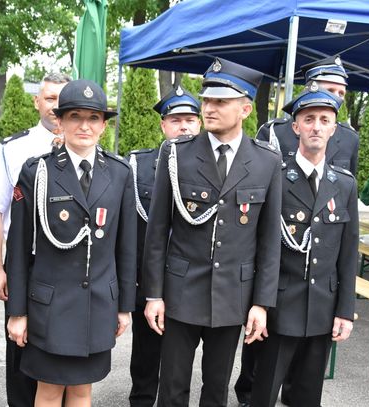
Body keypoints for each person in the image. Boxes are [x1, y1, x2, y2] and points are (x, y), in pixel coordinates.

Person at [143, 57, 282, 407]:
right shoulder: (176, 154)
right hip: (181, 291)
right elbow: (157, 232)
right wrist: (153, 295)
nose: (208, 108)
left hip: (232, 295)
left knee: (216, 389)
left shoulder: (266, 161)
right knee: (172, 387)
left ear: (245, 109)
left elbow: (269, 242)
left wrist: (261, 304)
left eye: (220, 101)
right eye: (206, 100)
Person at [234, 55, 359, 406]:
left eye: (324, 120)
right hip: (280, 306)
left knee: (307, 396)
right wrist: (258, 304)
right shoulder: (275, 177)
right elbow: (258, 244)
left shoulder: (344, 185)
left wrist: (345, 310)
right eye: (309, 119)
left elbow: (348, 253)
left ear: (334, 129)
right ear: (296, 127)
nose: (317, 127)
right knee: (263, 392)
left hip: (322, 308)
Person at [6, 79, 136, 407]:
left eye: (93, 118)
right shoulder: (37, 172)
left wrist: (124, 306)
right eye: (75, 116)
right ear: (60, 122)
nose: (84, 125)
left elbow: (126, 247)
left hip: (98, 305)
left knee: (82, 390)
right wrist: (17, 312)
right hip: (50, 306)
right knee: (49, 390)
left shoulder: (120, 173)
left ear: (103, 126)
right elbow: (18, 249)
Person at [0, 72, 70, 406]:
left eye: (63, 99)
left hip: (74, 271)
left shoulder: (88, 149)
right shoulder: (13, 149)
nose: (56, 106)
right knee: (22, 350)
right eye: (50, 98)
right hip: (26, 265)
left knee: (70, 358)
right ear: (37, 101)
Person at [128, 86, 201, 407]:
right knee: (146, 352)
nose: (183, 127)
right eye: (175, 120)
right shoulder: (139, 165)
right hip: (149, 278)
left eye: (190, 120)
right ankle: (142, 400)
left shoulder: (211, 166)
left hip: (192, 280)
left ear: (199, 124)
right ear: (163, 125)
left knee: (181, 357)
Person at [257, 55, 359, 175]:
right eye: (330, 91)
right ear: (311, 90)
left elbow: (349, 182)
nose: (337, 98)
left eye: (341, 93)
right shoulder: (274, 133)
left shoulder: (349, 138)